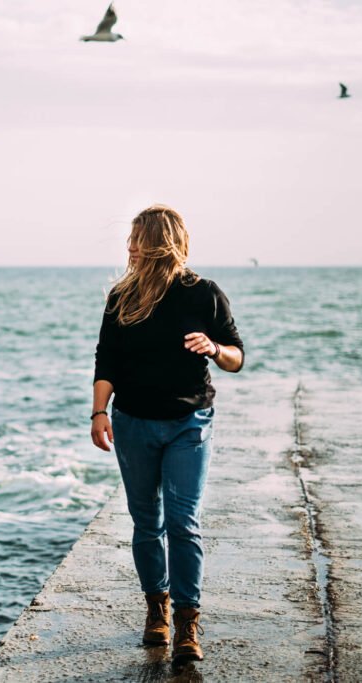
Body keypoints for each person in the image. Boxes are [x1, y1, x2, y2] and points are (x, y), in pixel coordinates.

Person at [90, 204, 244, 667]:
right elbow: (107, 360)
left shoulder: (204, 294)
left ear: (158, 243)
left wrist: (214, 348)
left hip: (188, 423)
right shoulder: (121, 297)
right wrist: (99, 411)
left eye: (137, 239)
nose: (129, 248)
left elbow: (237, 355)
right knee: (145, 521)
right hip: (133, 422)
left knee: (183, 522)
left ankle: (187, 623)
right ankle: (156, 609)